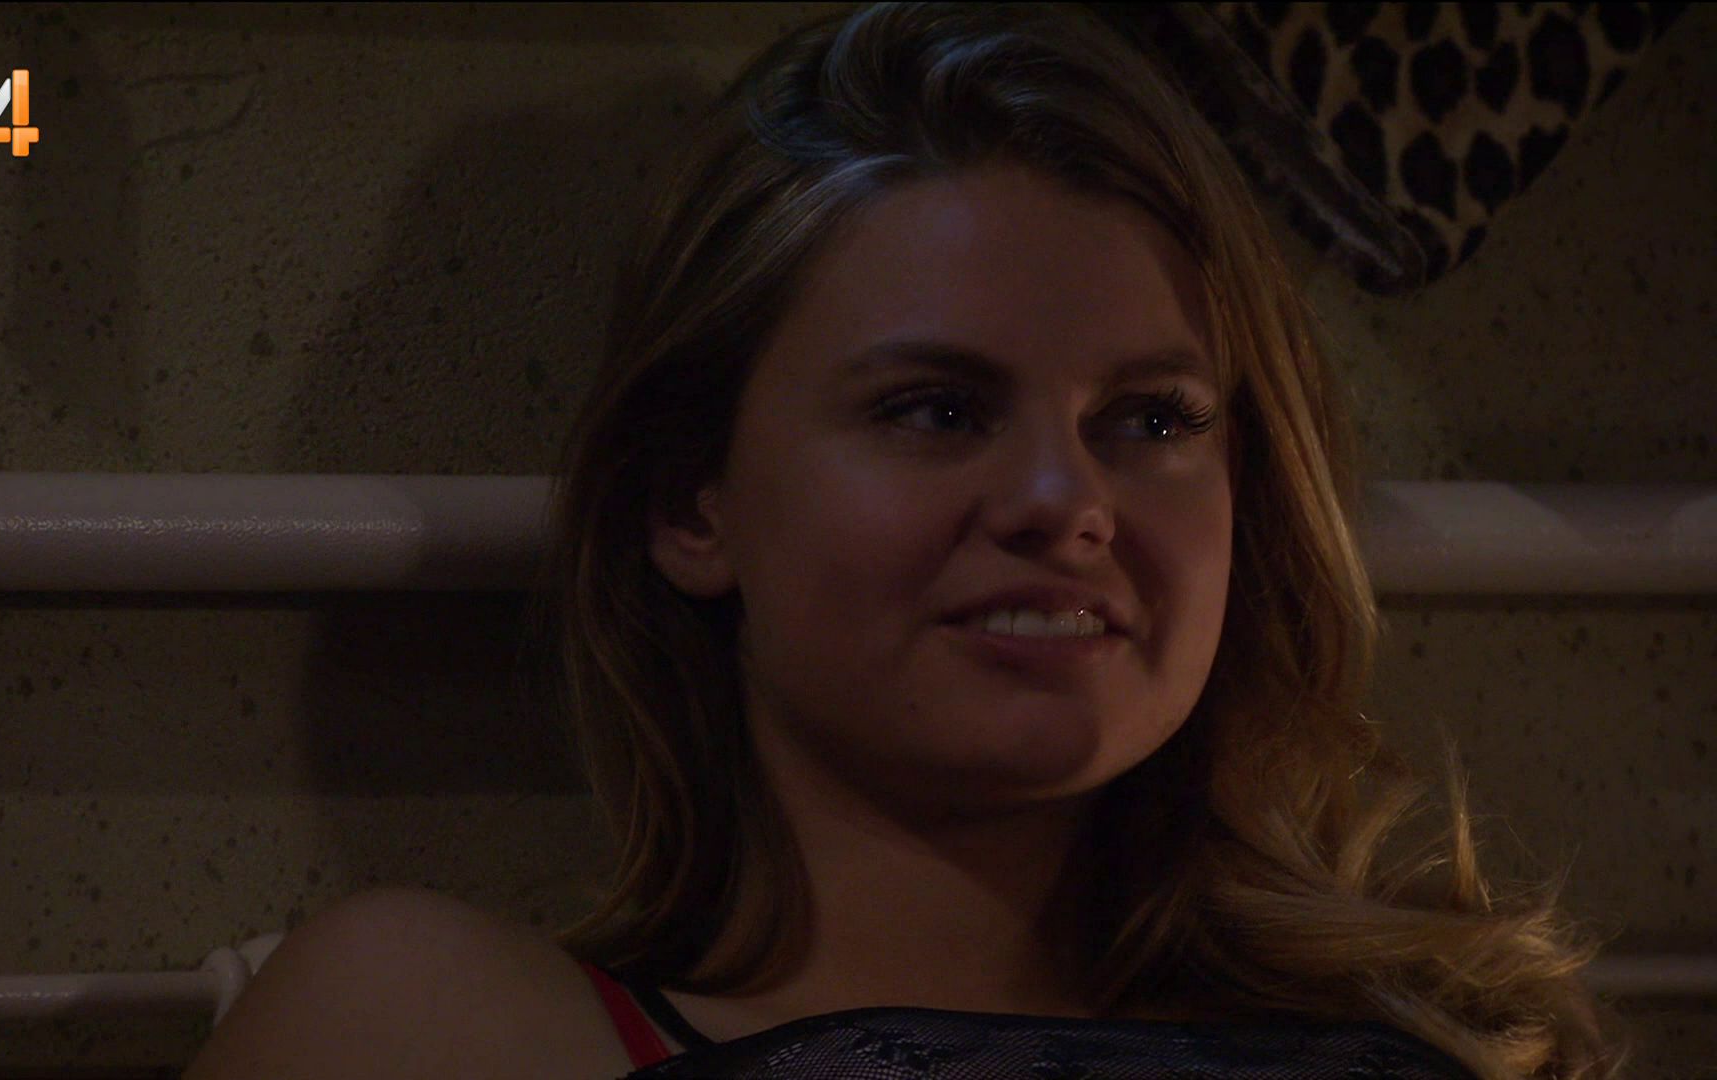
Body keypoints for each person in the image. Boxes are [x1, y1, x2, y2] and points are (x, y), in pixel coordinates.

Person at [186, 4, 1621, 1078]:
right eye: (937, 409)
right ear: (690, 504)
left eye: (1151, 419)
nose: (1065, 500)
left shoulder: (1444, 1045)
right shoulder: (429, 1024)